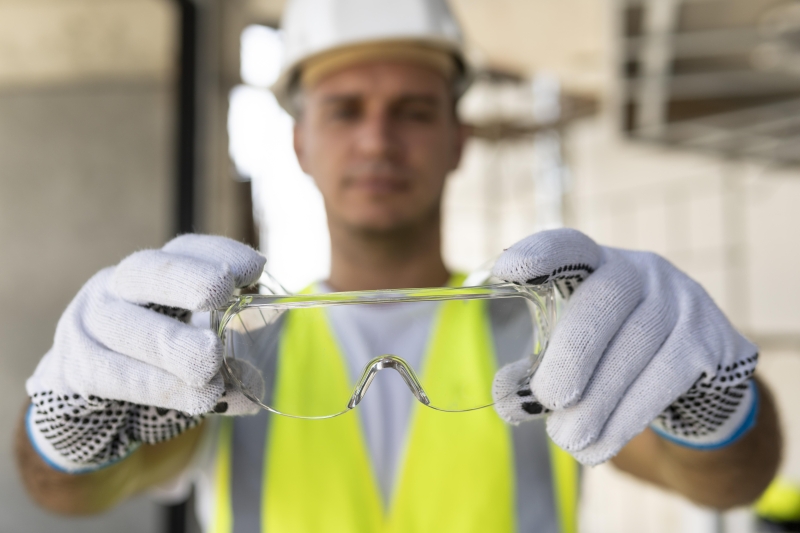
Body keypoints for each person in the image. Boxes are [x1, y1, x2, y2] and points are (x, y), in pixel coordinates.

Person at [16, 0, 780, 531]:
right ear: (300, 144)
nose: (377, 141)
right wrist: (66, 431)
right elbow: (67, 495)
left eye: (413, 111)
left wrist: (712, 408)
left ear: (458, 140)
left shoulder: (556, 332)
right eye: (346, 110)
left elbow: (729, 478)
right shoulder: (226, 346)